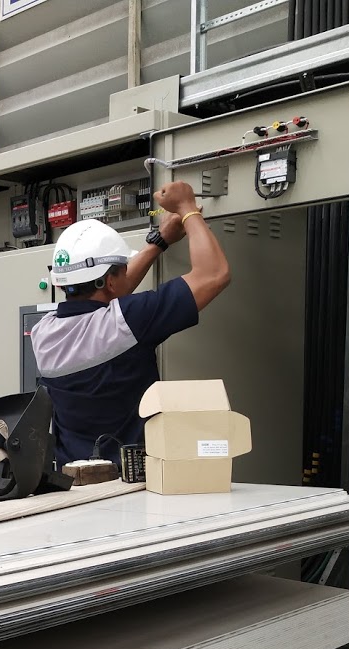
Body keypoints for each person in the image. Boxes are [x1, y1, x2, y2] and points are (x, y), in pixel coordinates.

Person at [30, 180, 231, 467]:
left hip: (75, 480)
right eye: (122, 270)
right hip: (130, 480)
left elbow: (112, 295)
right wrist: (187, 208)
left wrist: (158, 242)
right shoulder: (128, 321)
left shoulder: (43, 333)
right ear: (111, 281)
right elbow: (214, 274)